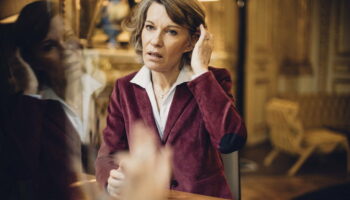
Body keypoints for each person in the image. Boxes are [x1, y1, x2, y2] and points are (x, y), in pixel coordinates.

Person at [95, 0, 247, 199]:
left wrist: (201, 71)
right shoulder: (125, 88)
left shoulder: (212, 81)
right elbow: (108, 155)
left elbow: (231, 140)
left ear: (192, 41)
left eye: (171, 31)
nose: (155, 41)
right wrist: (111, 181)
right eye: (150, 27)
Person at [13, 0, 105, 172]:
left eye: (68, 37)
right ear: (31, 60)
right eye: (49, 47)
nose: (65, 50)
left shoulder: (103, 90)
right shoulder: (31, 110)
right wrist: (30, 89)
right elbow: (23, 168)